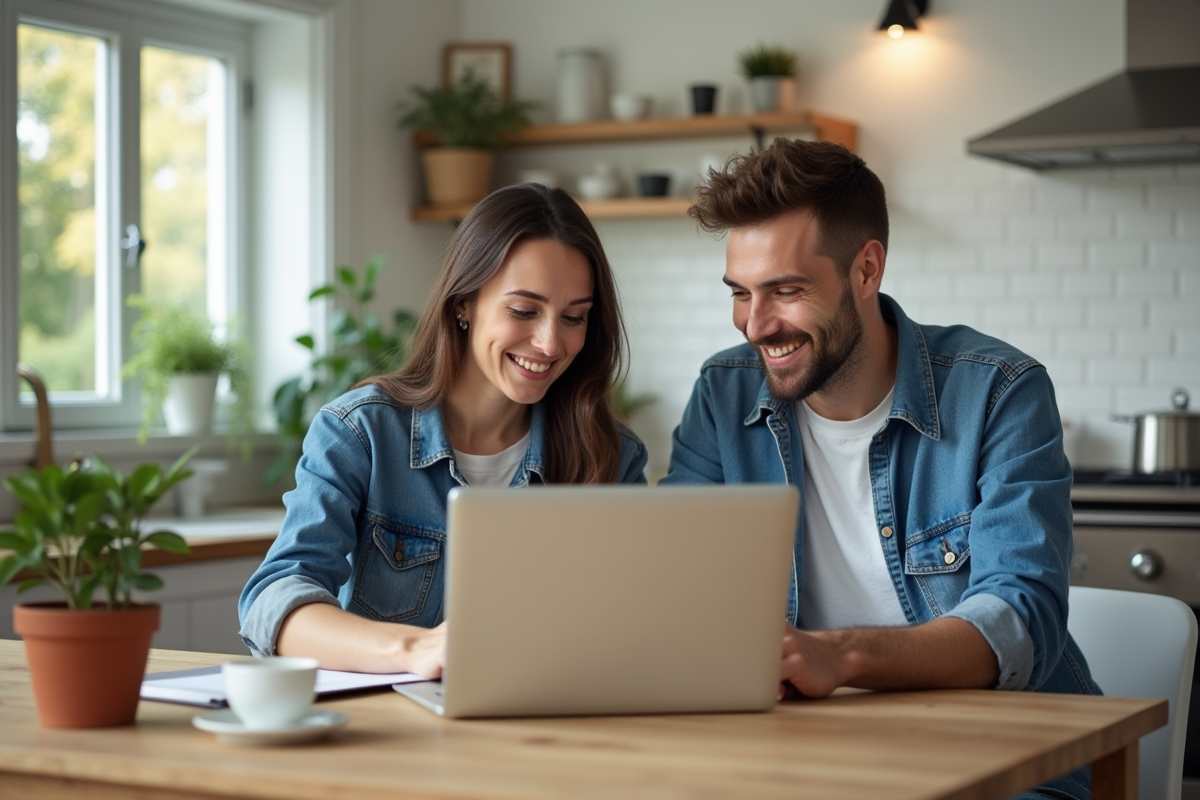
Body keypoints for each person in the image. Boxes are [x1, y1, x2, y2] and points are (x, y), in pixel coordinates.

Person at [661, 139, 1099, 800]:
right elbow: (674, 583)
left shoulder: (999, 390)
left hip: (1000, 757)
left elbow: (1020, 617)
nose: (755, 325)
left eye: (785, 291)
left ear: (866, 270)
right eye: (740, 294)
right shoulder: (722, 396)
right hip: (801, 756)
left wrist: (839, 656)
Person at [239, 183, 648, 678]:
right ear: (463, 304)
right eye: (523, 311)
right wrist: (413, 651)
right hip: (389, 734)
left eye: (574, 317)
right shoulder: (361, 433)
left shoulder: (611, 455)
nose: (549, 342)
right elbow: (274, 599)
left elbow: (633, 625)